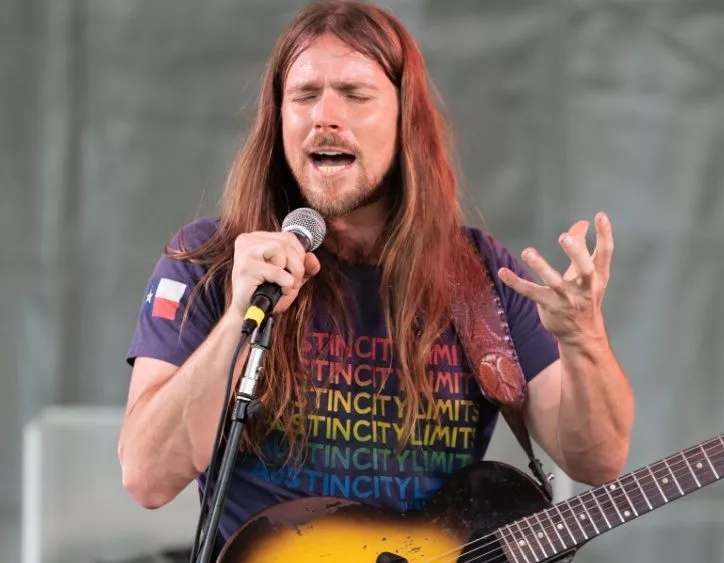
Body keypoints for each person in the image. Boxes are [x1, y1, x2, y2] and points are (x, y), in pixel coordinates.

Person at [118, 0, 634, 554]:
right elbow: (147, 477)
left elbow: (597, 460)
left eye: (355, 94)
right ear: (279, 119)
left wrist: (585, 339)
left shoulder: (479, 279)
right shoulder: (208, 262)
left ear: (405, 120)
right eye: (304, 95)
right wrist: (237, 322)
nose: (325, 116)